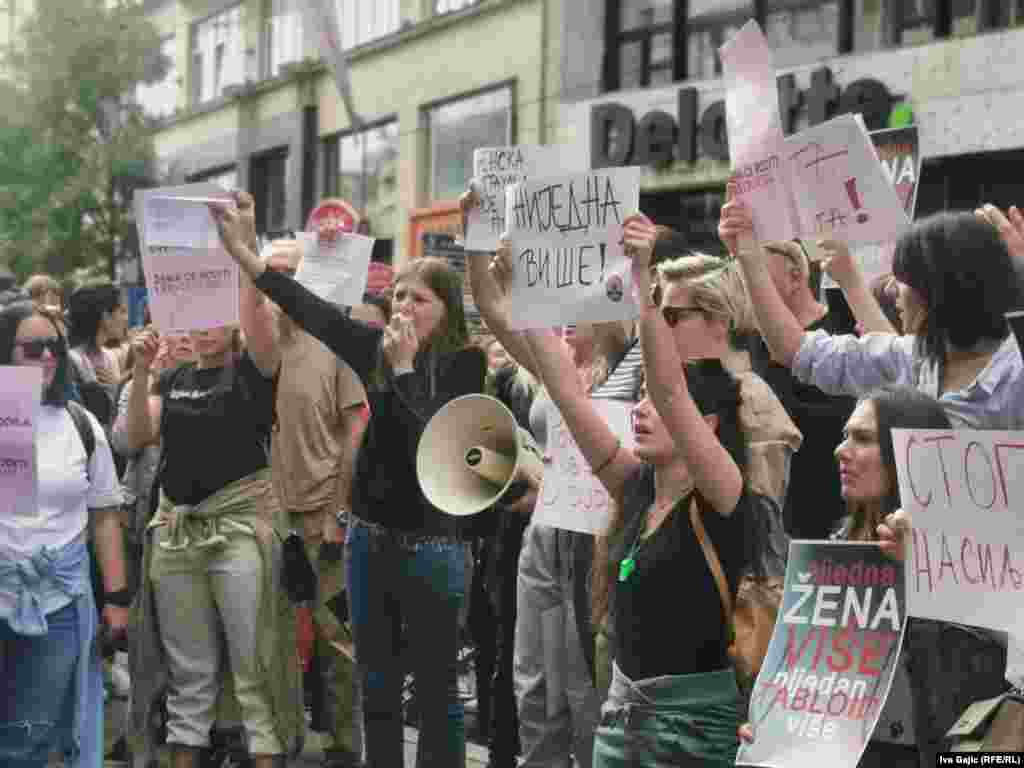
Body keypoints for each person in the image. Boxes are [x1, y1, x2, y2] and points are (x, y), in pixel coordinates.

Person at [210, 198, 487, 768]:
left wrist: (405, 370)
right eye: (400, 296)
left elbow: (430, 451)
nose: (405, 306)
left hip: (434, 544)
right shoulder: (369, 348)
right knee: (376, 684)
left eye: (420, 298)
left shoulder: (465, 366)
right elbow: (306, 307)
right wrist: (245, 254)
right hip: (370, 538)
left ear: (446, 310)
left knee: (437, 694)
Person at [500, 213, 773, 767]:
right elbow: (567, 394)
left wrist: (644, 283)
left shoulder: (724, 498)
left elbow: (670, 387)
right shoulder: (636, 490)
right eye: (639, 397)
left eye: (656, 402)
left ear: (709, 428)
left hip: (692, 729)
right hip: (620, 714)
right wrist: (521, 290)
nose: (640, 410)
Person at [124, 192, 302, 768]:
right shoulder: (172, 379)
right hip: (177, 536)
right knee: (189, 680)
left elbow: (258, 315)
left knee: (253, 673)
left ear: (235, 324)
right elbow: (136, 437)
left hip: (238, 534)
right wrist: (143, 370)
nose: (202, 329)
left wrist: (242, 246)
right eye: (193, 318)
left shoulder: (254, 371)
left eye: (215, 316)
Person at [0, 301, 127, 768]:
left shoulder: (80, 423)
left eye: (54, 346)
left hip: (57, 604)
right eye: (33, 348)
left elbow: (106, 516)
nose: (47, 357)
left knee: (30, 735)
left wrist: (116, 598)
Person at [264, 237, 368, 768]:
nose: (277, 282)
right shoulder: (257, 344)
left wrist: (339, 512)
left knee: (338, 635)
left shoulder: (335, 342)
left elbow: (355, 428)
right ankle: (279, 740)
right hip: (268, 514)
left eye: (288, 271)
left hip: (324, 511)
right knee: (275, 631)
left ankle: (346, 746)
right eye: (270, 272)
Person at [737, 238, 857, 540]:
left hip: (833, 509)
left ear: (795, 276)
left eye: (757, 272)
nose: (748, 284)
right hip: (776, 512)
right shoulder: (751, 341)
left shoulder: (843, 329)